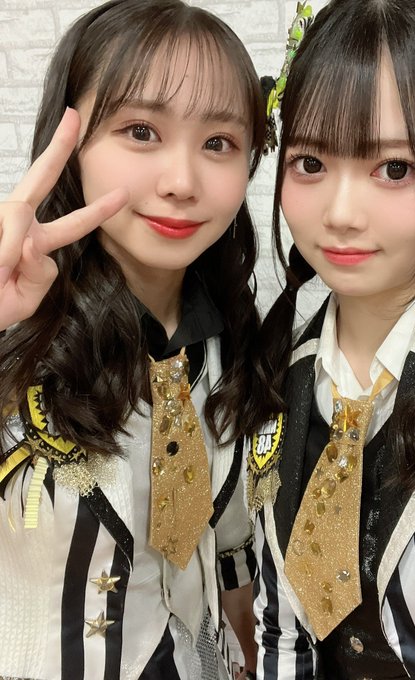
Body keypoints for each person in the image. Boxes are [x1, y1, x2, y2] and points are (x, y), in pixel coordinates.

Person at [0, 0, 268, 678]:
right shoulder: (15, 340)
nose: (181, 183)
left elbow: (228, 544)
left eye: (218, 142)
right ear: (70, 144)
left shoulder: (233, 343)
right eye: (141, 131)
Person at [248, 0, 415, 677]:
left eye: (395, 168)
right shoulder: (273, 380)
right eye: (310, 161)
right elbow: (279, 627)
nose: (339, 213)